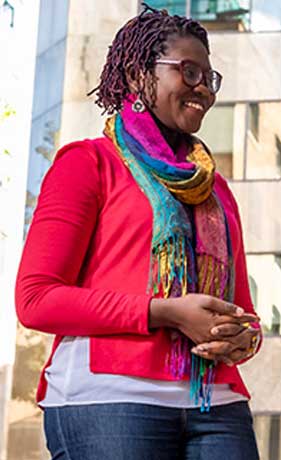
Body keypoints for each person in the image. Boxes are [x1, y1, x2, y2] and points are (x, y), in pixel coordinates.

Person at [15, 6, 263, 459]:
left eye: (210, 77)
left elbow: (241, 309)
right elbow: (36, 299)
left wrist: (245, 337)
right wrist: (164, 312)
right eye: (188, 72)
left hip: (217, 402)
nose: (203, 89)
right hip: (108, 398)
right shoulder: (87, 164)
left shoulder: (214, 188)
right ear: (136, 75)